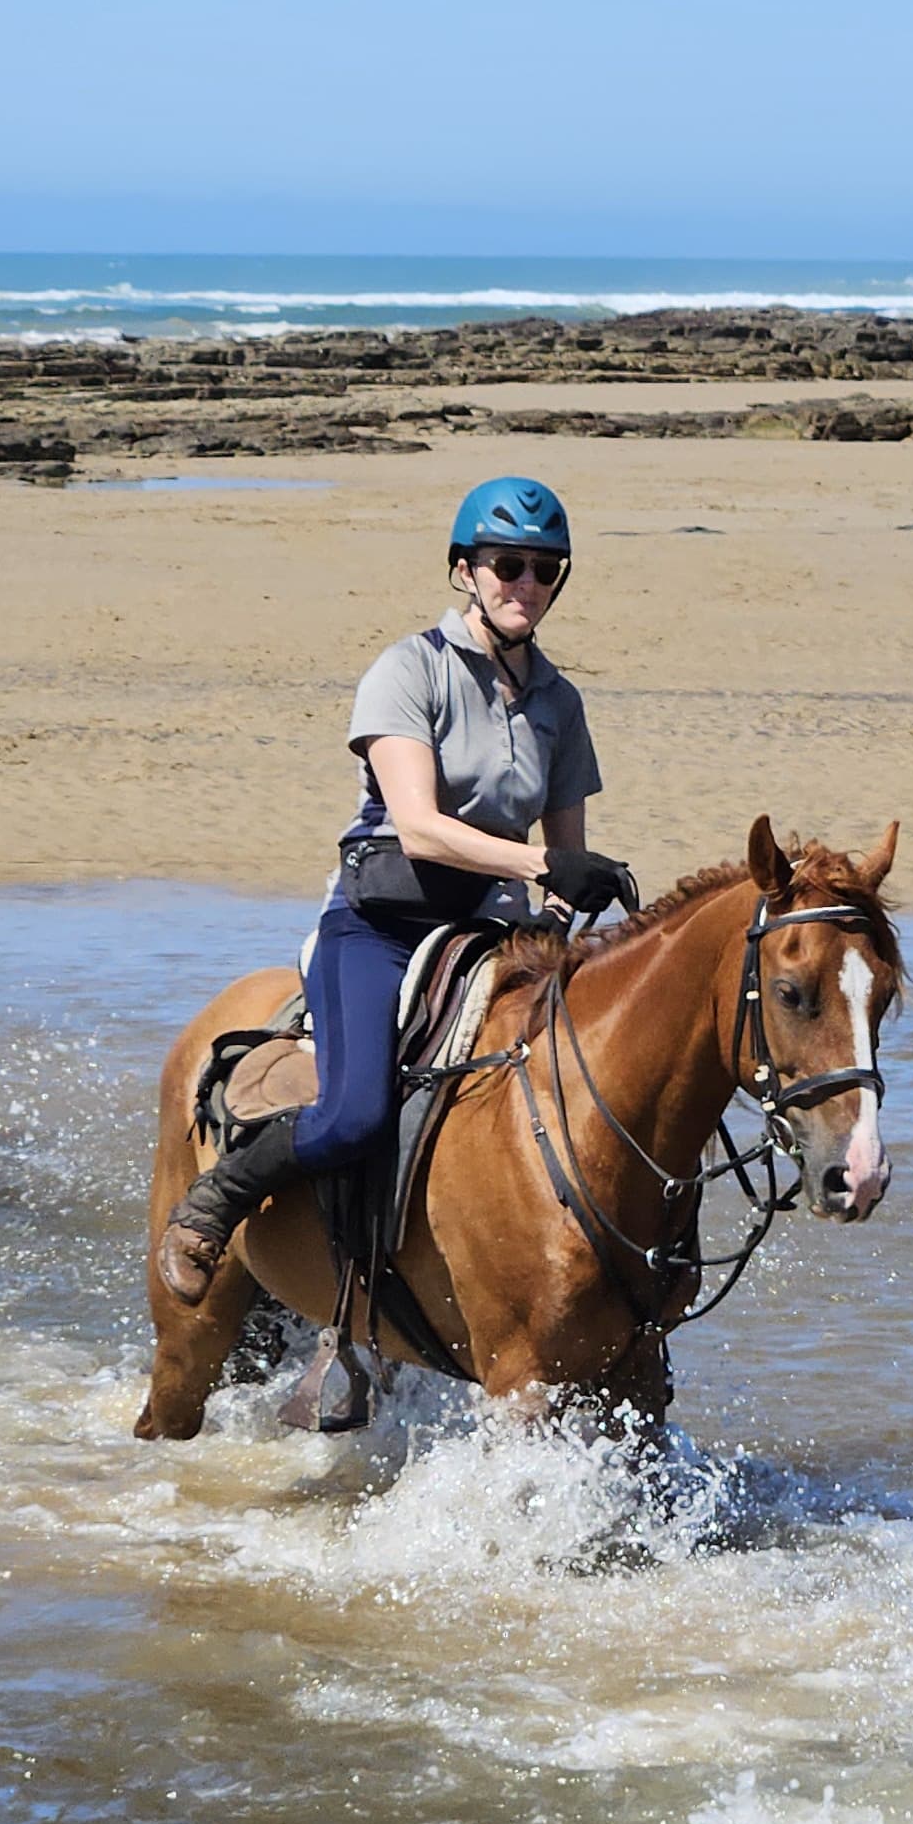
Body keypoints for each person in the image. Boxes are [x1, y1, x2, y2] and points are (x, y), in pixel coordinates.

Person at [153, 477, 634, 1396]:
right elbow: (417, 826)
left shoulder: (561, 705)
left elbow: (563, 858)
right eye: (506, 566)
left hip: (492, 933)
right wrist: (537, 867)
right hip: (378, 925)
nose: (524, 584)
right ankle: (214, 1204)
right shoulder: (407, 670)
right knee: (358, 1114)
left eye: (542, 570)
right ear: (465, 571)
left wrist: (577, 893)